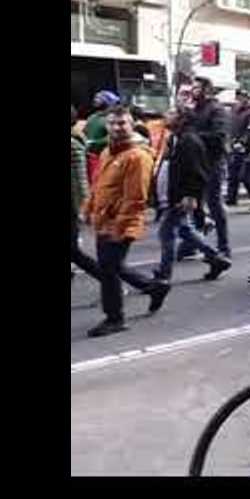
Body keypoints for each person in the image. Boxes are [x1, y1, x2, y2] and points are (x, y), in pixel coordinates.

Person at [81, 105, 170, 337]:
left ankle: (115, 318)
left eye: (122, 123)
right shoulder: (108, 151)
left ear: (132, 125)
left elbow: (135, 198)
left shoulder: (137, 157)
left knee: (108, 271)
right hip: (103, 220)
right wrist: (88, 208)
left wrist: (120, 227)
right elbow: (98, 185)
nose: (117, 127)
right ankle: (154, 287)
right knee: (112, 266)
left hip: (119, 223)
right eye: (112, 123)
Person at [151, 106, 233, 283]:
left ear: (182, 119)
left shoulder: (189, 141)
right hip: (172, 195)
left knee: (166, 234)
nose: (166, 116)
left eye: (172, 113)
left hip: (181, 196)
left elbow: (197, 173)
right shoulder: (175, 138)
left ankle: (164, 275)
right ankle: (217, 259)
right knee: (185, 231)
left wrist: (190, 196)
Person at [185, 77, 232, 257]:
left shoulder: (216, 109)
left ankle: (224, 246)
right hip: (196, 162)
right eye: (193, 88)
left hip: (212, 162)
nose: (193, 91)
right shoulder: (194, 109)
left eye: (197, 88)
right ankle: (194, 242)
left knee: (214, 204)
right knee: (195, 203)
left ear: (206, 90)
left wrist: (193, 135)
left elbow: (219, 136)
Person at [71, 104, 102, 282]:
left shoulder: (73, 143)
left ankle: (110, 281)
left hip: (72, 206)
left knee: (74, 252)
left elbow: (81, 178)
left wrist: (84, 207)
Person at [225, 89, 250, 207]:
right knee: (232, 173)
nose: (240, 99)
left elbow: (249, 130)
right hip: (233, 145)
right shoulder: (234, 111)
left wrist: (242, 142)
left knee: (244, 175)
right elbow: (230, 128)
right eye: (239, 96)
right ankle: (231, 198)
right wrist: (229, 141)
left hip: (244, 147)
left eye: (243, 97)